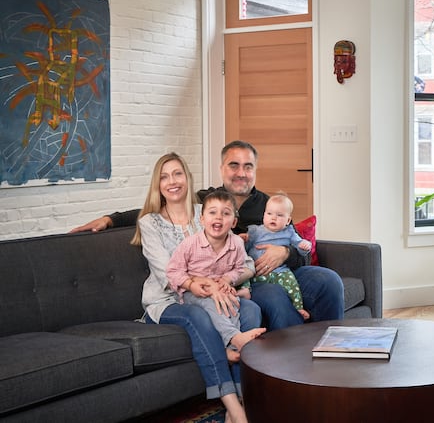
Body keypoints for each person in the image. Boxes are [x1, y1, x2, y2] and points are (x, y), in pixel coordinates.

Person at [71, 140, 344, 330]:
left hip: (281, 268)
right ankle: (289, 366)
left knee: (328, 280)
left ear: (255, 170)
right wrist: (110, 219)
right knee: (271, 296)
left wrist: (285, 252)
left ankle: (333, 352)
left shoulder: (270, 205)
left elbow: (298, 246)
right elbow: (158, 208)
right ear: (222, 169)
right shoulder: (205, 201)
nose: (241, 173)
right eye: (233, 165)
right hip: (243, 277)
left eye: (248, 166)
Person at [130, 153, 261, 423]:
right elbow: (165, 271)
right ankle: (234, 406)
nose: (172, 181)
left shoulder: (208, 211)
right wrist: (201, 284)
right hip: (168, 301)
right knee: (197, 315)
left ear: (187, 178)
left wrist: (226, 282)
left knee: (248, 308)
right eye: (164, 177)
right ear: (158, 184)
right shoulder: (150, 223)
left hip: (212, 295)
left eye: (177, 173)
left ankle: (241, 403)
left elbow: (247, 264)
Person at [167, 189, 267, 354]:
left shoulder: (236, 243)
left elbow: (239, 268)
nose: (218, 217)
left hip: (221, 288)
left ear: (234, 222)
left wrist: (228, 280)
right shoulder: (189, 244)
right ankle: (235, 339)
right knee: (212, 304)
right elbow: (173, 271)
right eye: (212, 212)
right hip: (194, 292)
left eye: (225, 213)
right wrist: (191, 285)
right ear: (202, 219)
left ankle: (230, 348)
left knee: (231, 304)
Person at [245, 193, 311, 321]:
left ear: (288, 220)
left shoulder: (289, 232)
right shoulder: (255, 231)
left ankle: (298, 306)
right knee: (243, 274)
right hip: (256, 272)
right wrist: (243, 240)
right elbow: (244, 249)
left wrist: (303, 247)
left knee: (292, 283)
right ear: (263, 215)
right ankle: (244, 290)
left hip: (281, 271)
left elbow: (300, 248)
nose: (273, 218)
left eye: (279, 215)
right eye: (269, 214)